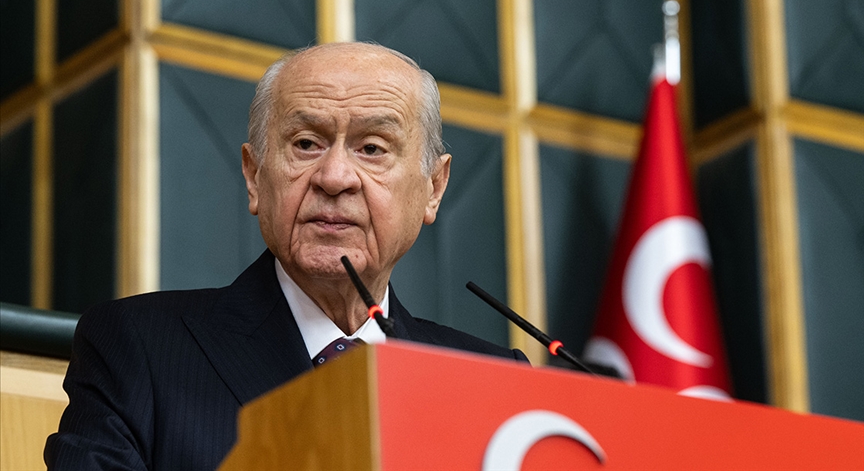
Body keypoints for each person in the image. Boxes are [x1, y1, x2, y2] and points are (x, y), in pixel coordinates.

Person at [44, 42, 528, 470]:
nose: (334, 177)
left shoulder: (494, 381)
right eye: (306, 144)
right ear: (254, 176)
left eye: (372, 148)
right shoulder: (140, 348)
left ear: (433, 189)